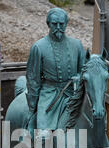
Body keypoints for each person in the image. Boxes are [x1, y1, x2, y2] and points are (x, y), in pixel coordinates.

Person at [25, 8, 85, 136]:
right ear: (48, 24)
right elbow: (33, 80)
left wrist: (78, 78)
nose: (58, 27)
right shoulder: (38, 47)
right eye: (54, 24)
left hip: (72, 95)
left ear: (66, 24)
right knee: (43, 136)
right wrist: (32, 107)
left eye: (61, 24)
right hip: (49, 96)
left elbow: (84, 71)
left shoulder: (77, 45)